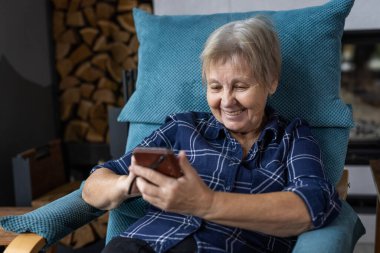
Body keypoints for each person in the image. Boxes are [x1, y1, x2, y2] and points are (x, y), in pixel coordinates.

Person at [82, 15, 341, 253]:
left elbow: (312, 205)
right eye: (215, 87)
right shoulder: (182, 127)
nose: (227, 101)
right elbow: (95, 183)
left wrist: (206, 203)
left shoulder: (293, 137)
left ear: (271, 81)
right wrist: (129, 184)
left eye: (240, 86)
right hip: (141, 245)